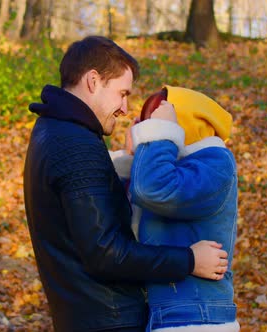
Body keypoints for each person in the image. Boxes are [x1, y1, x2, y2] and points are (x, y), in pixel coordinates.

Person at [23, 36, 229, 332]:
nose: (124, 107)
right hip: (110, 319)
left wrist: (133, 162)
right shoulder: (76, 145)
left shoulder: (51, 130)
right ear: (93, 81)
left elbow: (90, 223)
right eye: (122, 93)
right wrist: (189, 259)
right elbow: (106, 253)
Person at [114, 86, 239, 331]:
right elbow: (121, 213)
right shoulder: (168, 168)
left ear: (179, 126)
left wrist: (158, 137)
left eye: (153, 123)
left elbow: (153, 190)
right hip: (169, 312)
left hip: (196, 314)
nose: (145, 132)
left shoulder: (215, 162)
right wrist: (135, 154)